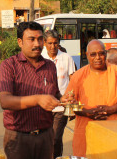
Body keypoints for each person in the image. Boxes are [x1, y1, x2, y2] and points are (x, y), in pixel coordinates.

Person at [0, 22, 73, 159]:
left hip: (45, 136)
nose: (37, 44)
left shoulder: (49, 66)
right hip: (18, 137)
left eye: (40, 39)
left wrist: (62, 99)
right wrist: (37, 99)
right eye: (31, 39)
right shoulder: (9, 65)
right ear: (20, 42)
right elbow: (5, 101)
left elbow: (54, 94)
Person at [65, 39, 117, 157]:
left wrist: (111, 110)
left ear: (105, 54)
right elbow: (69, 103)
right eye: (93, 54)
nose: (98, 58)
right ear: (87, 55)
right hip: (85, 131)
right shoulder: (78, 76)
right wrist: (86, 112)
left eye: (101, 53)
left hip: (114, 131)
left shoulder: (115, 71)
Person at [41, 30, 76, 158]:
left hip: (61, 107)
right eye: (49, 43)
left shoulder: (66, 58)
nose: (52, 46)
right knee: (43, 139)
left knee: (55, 138)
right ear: (44, 43)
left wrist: (71, 107)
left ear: (58, 43)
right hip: (43, 106)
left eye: (55, 43)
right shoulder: (40, 57)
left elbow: (73, 81)